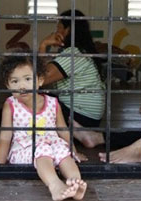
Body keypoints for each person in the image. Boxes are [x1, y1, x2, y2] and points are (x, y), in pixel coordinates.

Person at [0, 53, 87, 201]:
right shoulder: (11, 104)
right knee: (42, 148)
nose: (21, 86)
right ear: (8, 85)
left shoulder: (53, 103)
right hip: (25, 149)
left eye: (27, 79)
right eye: (14, 81)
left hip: (51, 144)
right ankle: (55, 185)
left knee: (63, 151)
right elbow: (5, 136)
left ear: (40, 80)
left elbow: (62, 130)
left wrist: (74, 151)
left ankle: (75, 183)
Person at [38, 10, 106, 148]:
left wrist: (44, 44)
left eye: (58, 27)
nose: (56, 31)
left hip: (81, 118)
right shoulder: (82, 52)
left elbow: (40, 80)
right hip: (88, 118)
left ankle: (74, 132)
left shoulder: (73, 54)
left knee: (33, 98)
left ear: (67, 30)